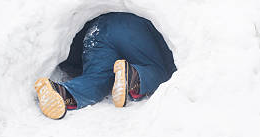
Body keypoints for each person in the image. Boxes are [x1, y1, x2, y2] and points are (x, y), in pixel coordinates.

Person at [34, 12, 177, 120]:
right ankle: (132, 76)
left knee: (96, 79)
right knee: (159, 71)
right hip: (132, 26)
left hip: (97, 30)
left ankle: (62, 92)